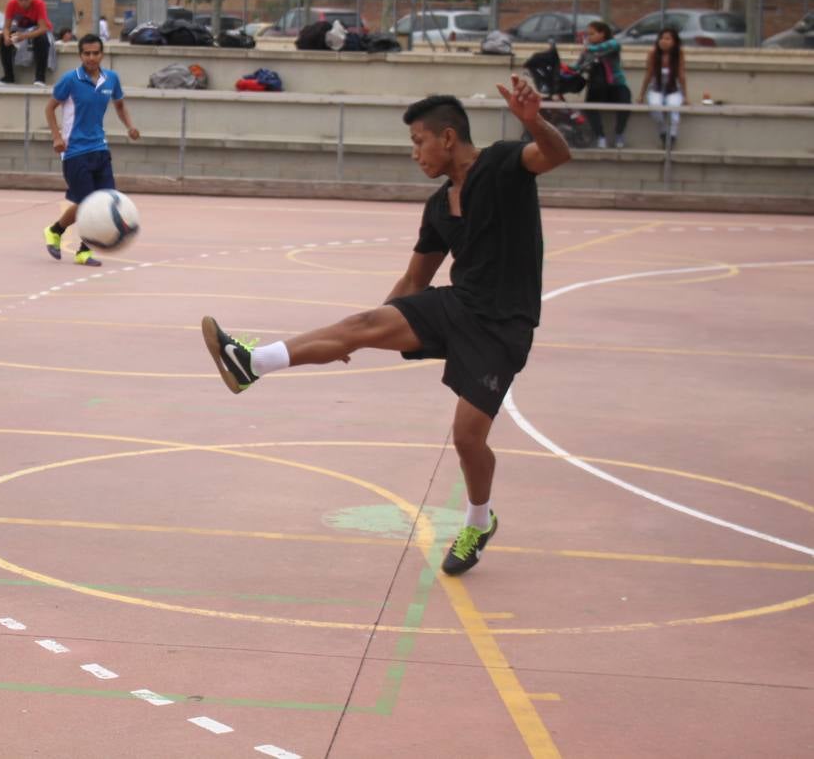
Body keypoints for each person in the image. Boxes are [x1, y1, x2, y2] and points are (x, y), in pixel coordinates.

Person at [200, 78, 573, 577]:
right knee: (362, 322)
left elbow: (556, 154)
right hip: (458, 305)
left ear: (446, 137)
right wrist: (367, 331)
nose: (415, 154)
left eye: (418, 143)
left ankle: (479, 522)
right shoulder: (439, 206)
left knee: (467, 439)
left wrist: (533, 121)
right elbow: (417, 277)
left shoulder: (504, 164)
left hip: (504, 326)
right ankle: (252, 363)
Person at [42, 34, 140, 267]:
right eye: (87, 53)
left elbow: (120, 105)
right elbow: (49, 108)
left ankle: (57, 232)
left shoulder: (111, 79)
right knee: (89, 205)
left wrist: (130, 126)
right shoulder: (70, 80)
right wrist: (56, 137)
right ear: (80, 55)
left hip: (100, 149)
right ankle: (80, 249)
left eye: (95, 53)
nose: (91, 57)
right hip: (74, 152)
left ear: (102, 54)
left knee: (104, 202)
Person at [576, 20, 630, 149]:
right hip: (598, 86)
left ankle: (619, 134)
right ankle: (600, 136)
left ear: (602, 34)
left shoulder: (613, 44)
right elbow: (579, 66)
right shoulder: (588, 51)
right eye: (588, 35)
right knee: (590, 107)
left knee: (625, 102)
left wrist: (588, 47)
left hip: (616, 85)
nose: (589, 37)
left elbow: (603, 48)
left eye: (592, 34)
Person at [640, 26, 687, 149]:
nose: (663, 41)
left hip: (673, 89)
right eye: (661, 38)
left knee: (674, 110)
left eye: (668, 39)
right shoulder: (653, 53)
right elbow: (648, 74)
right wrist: (641, 95)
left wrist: (686, 96)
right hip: (657, 88)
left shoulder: (679, 54)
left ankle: (671, 137)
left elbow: (681, 75)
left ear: (674, 42)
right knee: (655, 107)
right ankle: (663, 132)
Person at [0, 0, 52, 86]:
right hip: (21, 29)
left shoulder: (39, 4)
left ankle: (40, 78)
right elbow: (6, 27)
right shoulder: (12, 4)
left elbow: (43, 28)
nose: (23, 3)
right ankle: (9, 76)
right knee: (2, 39)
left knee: (42, 39)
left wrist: (24, 37)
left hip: (37, 29)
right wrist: (6, 37)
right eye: (20, 0)